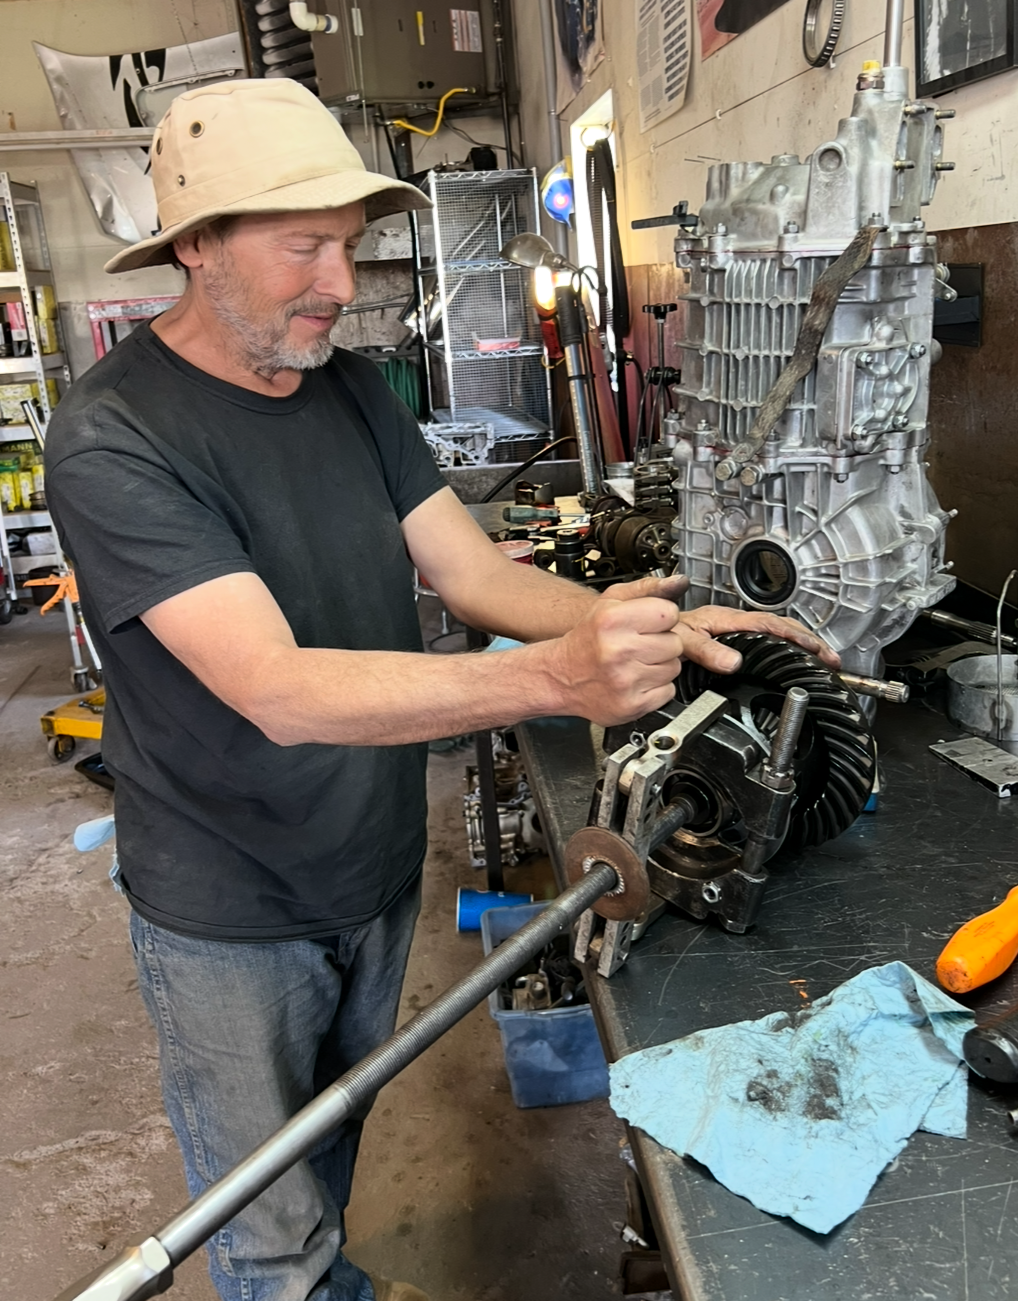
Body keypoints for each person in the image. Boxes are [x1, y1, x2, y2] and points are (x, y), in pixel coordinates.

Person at [44, 78, 837, 1301]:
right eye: (302, 246)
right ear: (196, 247)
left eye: (348, 247)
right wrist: (562, 676)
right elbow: (278, 689)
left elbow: (468, 570)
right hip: (227, 903)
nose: (336, 283)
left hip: (368, 860)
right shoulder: (115, 438)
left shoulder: (352, 389)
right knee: (268, 1228)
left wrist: (662, 622)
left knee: (333, 1154)